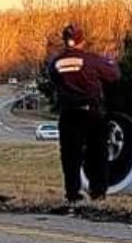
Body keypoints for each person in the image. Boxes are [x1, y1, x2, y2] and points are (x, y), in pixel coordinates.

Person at [46, 24, 121, 203]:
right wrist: (111, 61)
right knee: (97, 153)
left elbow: (53, 79)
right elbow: (114, 75)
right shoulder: (90, 60)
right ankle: (98, 192)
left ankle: (72, 193)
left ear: (65, 41)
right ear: (82, 40)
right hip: (92, 114)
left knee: (70, 157)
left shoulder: (56, 63)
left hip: (68, 114)